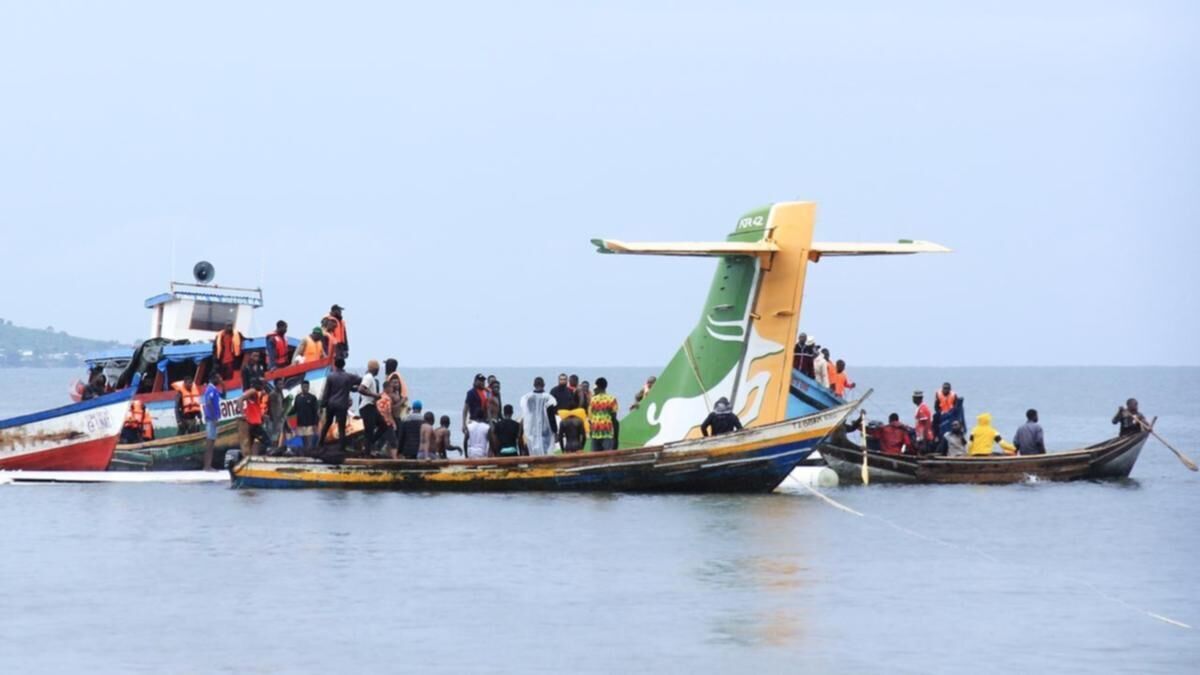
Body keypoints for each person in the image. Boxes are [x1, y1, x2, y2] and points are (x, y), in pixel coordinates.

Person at [318, 357, 362, 452]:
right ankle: (342, 447)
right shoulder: (348, 376)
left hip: (331, 403)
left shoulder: (330, 376)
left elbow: (327, 392)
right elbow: (360, 380)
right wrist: (352, 386)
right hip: (342, 405)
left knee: (327, 424)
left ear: (335, 365)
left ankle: (320, 443)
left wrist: (322, 405)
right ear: (344, 365)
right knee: (341, 427)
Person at [518, 376, 558, 456]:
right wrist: (555, 431)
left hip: (532, 430)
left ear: (534, 384)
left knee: (533, 451)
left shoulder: (527, 398)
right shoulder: (548, 398)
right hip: (545, 430)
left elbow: (526, 414)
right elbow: (551, 417)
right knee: (545, 452)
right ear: (544, 384)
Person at [240, 379, 272, 456]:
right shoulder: (253, 391)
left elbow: (254, 409)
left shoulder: (256, 394)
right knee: (268, 442)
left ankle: (246, 459)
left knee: (249, 446)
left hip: (252, 423)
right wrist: (242, 414)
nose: (262, 387)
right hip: (254, 424)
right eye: (261, 385)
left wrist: (262, 416)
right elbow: (240, 400)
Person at [587, 377, 619, 451]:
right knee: (608, 457)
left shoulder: (592, 400)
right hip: (607, 432)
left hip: (595, 432)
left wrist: (591, 432)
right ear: (606, 386)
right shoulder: (612, 399)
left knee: (595, 458)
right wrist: (616, 438)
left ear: (597, 386)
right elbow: (614, 418)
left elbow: (590, 418)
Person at [357, 359, 382, 449]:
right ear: (376, 369)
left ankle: (369, 444)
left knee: (384, 425)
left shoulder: (371, 378)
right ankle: (366, 451)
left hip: (372, 406)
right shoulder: (368, 377)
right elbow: (361, 389)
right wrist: (374, 395)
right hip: (367, 407)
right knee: (369, 430)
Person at [201, 373, 224, 469]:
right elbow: (209, 403)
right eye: (218, 378)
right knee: (210, 443)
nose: (219, 379)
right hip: (211, 419)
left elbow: (224, 395)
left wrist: (223, 384)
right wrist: (214, 417)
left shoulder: (214, 389)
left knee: (212, 442)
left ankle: (208, 465)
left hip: (213, 418)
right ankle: (207, 466)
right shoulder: (210, 389)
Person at [462, 373, 490, 447]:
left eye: (483, 381)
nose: (482, 382)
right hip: (474, 419)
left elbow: (489, 404)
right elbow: (465, 409)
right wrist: (464, 424)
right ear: (475, 381)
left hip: (484, 420)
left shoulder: (486, 392)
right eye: (480, 380)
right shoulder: (471, 393)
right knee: (471, 439)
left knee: (484, 440)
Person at [293, 380, 319, 452]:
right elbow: (295, 410)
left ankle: (309, 452)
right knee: (302, 439)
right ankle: (303, 452)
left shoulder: (312, 398)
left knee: (309, 439)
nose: (305, 388)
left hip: (310, 423)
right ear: (301, 387)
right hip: (300, 423)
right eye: (304, 387)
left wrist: (315, 423)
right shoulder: (297, 397)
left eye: (307, 387)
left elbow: (315, 411)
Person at [375, 384, 399, 457]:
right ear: (387, 388)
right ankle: (394, 459)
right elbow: (388, 412)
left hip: (379, 421)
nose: (392, 389)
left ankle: (374, 452)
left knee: (380, 439)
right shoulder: (387, 398)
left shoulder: (379, 396)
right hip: (387, 422)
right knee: (393, 441)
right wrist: (393, 422)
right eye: (391, 387)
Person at [265, 379, 286, 454]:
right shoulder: (273, 394)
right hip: (274, 420)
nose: (281, 386)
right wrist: (275, 421)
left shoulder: (280, 393)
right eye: (279, 384)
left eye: (282, 384)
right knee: (274, 438)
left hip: (279, 418)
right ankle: (273, 451)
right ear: (275, 385)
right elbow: (272, 409)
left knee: (278, 437)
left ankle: (276, 450)